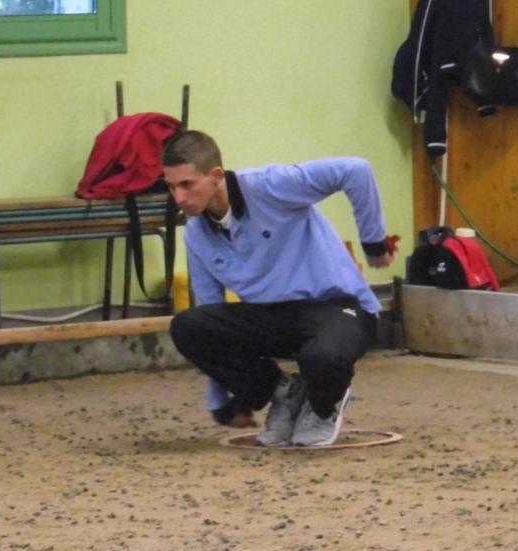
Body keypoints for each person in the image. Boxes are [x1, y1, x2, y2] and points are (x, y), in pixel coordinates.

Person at [161, 130, 396, 447]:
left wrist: (374, 243)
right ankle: (286, 394)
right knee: (189, 326)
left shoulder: (269, 185)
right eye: (171, 186)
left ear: (216, 176)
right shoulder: (195, 234)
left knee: (322, 359)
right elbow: (210, 308)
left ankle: (323, 406)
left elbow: (355, 170)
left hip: (338, 308)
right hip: (273, 317)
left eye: (187, 185)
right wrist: (224, 400)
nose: (179, 198)